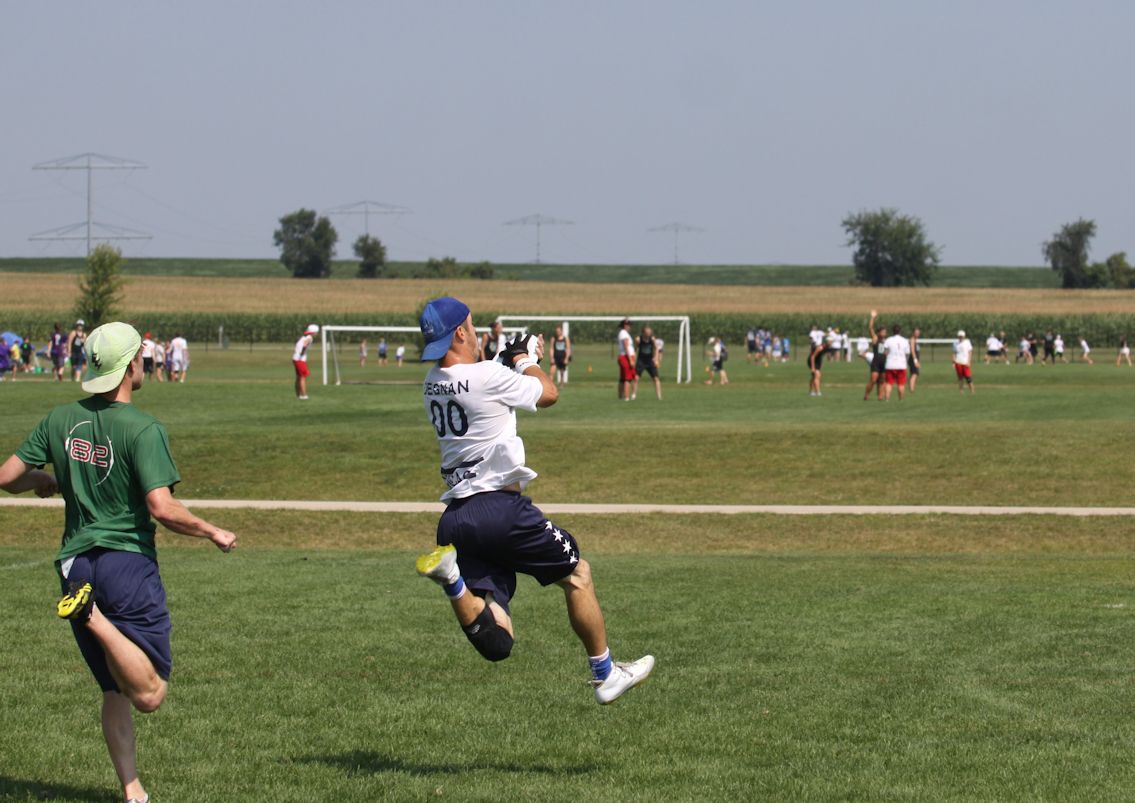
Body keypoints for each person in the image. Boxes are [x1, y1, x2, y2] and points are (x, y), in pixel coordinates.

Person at [0, 321, 237, 803]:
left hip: (75, 567)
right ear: (131, 366)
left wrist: (43, 480)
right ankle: (91, 615)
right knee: (149, 693)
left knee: (114, 689)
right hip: (125, 565)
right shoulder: (144, 428)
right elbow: (161, 508)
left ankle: (133, 793)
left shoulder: (59, 419)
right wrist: (213, 530)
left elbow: (6, 477)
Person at [413, 297, 654, 705]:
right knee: (578, 574)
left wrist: (507, 358)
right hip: (500, 511)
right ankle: (606, 674)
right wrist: (525, 360)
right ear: (460, 333)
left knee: (498, 640)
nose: (476, 333)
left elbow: (478, 381)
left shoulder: (431, 383)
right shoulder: (487, 375)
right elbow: (548, 393)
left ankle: (452, 580)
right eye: (472, 326)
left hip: (456, 519)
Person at [882, 322, 911, 401]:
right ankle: (901, 400)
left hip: (890, 365)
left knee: (889, 383)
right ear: (900, 331)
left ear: (893, 331)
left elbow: (885, 352)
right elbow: (907, 354)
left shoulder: (888, 340)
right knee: (901, 384)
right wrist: (905, 361)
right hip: (901, 365)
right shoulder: (905, 341)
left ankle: (887, 399)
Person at [863, 311, 887, 401]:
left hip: (884, 363)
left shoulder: (886, 341)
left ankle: (880, 396)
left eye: (885, 332)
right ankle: (866, 395)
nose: (884, 333)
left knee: (882, 381)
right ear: (879, 332)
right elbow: (870, 328)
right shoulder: (875, 338)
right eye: (883, 332)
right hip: (876, 362)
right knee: (873, 379)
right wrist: (872, 318)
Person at [634, 325, 662, 400]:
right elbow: (635, 349)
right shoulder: (638, 339)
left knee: (656, 379)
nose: (648, 334)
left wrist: (656, 359)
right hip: (641, 360)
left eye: (650, 333)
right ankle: (634, 395)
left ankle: (659, 397)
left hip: (650, 361)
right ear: (643, 333)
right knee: (636, 378)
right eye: (647, 333)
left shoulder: (652, 339)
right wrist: (633, 359)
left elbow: (656, 349)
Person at [292, 323, 319, 399]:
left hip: (295, 358)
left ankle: (298, 395)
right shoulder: (309, 338)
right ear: (314, 332)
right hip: (300, 359)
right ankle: (304, 395)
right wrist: (302, 352)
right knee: (303, 377)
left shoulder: (303, 337)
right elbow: (304, 345)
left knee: (298, 377)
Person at [616, 318, 636, 400]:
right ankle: (626, 397)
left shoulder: (624, 333)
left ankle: (620, 397)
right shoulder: (623, 333)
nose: (629, 326)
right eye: (628, 325)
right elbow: (626, 346)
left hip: (625, 356)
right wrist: (630, 359)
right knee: (628, 378)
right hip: (626, 357)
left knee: (622, 378)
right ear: (624, 325)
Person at [953, 329, 975, 394]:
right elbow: (954, 353)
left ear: (964, 336)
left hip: (965, 363)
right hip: (958, 362)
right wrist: (953, 361)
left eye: (962, 336)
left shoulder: (967, 342)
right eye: (959, 336)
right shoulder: (955, 343)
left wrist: (969, 361)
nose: (960, 337)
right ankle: (961, 391)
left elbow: (970, 352)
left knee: (968, 377)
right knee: (960, 378)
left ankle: (972, 391)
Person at [807, 324, 824, 397]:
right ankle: (818, 392)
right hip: (813, 359)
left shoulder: (819, 333)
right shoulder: (812, 333)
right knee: (817, 375)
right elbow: (812, 357)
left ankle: (811, 392)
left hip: (816, 359)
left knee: (815, 376)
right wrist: (813, 367)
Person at [907, 327, 922, 393]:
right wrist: (915, 361)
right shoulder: (912, 340)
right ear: (913, 333)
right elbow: (912, 351)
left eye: (918, 332)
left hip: (915, 359)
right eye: (916, 332)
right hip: (913, 359)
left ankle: (912, 388)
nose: (917, 334)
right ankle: (911, 389)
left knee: (914, 374)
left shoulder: (916, 340)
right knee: (914, 374)